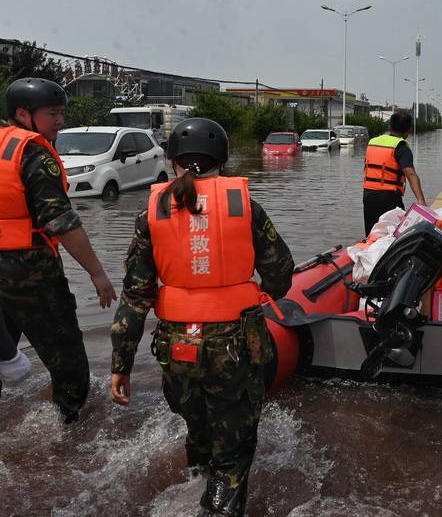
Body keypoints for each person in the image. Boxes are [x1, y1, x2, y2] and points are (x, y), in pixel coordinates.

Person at [109, 118, 294, 517]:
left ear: (172, 159)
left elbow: (135, 296)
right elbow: (281, 271)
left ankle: (192, 484)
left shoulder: (151, 212)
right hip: (235, 345)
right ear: (222, 160)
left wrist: (120, 366)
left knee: (197, 430)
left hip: (177, 348)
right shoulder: (244, 206)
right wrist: (258, 296)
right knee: (233, 452)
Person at [0, 77, 116, 421]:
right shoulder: (32, 151)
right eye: (53, 114)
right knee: (68, 362)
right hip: (29, 274)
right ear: (24, 113)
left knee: (4, 351)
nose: (61, 121)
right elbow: (61, 221)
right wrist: (97, 273)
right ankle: (71, 432)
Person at [362, 111, 427, 236]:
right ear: (408, 131)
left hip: (368, 195)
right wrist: (421, 200)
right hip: (389, 197)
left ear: (389, 127)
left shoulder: (373, 142)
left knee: (372, 234)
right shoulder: (401, 147)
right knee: (394, 235)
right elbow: (411, 174)